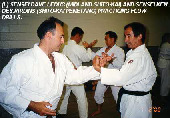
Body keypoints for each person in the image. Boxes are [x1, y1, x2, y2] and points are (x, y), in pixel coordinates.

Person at [0, 17, 100, 118]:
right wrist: (31, 105)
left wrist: (96, 69)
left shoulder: (60, 59)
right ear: (48, 35)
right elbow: (3, 91)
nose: (63, 41)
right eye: (61, 37)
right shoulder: (22, 60)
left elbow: (75, 75)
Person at [93, 22, 157, 118]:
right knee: (99, 93)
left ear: (139, 36)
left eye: (129, 36)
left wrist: (99, 69)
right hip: (129, 93)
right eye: (125, 36)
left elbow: (121, 77)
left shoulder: (138, 56)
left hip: (136, 102)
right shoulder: (133, 52)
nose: (126, 40)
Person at [58, 27, 97, 118]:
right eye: (80, 37)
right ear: (77, 35)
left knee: (64, 96)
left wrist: (86, 48)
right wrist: (89, 48)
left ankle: (61, 113)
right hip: (75, 76)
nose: (80, 39)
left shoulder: (64, 45)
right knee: (81, 99)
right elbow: (87, 58)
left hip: (64, 75)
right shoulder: (77, 47)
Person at [91, 31, 125, 116]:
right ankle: (99, 110)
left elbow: (120, 65)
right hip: (104, 76)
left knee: (118, 97)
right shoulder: (103, 49)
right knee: (98, 94)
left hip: (114, 77)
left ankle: (123, 113)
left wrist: (111, 60)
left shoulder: (119, 50)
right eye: (105, 39)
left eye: (107, 39)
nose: (105, 41)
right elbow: (94, 56)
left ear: (112, 39)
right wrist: (90, 48)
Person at [157, 33, 170, 103]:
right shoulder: (167, 45)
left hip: (161, 63)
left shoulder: (162, 44)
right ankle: (163, 97)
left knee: (164, 80)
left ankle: (163, 95)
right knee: (165, 82)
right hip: (164, 64)